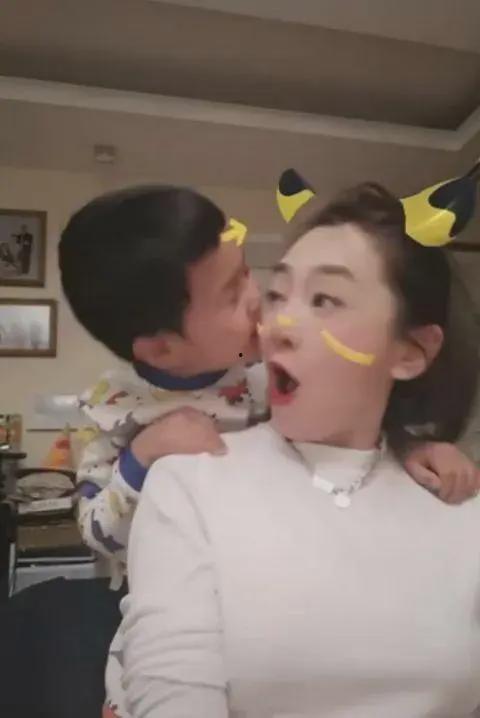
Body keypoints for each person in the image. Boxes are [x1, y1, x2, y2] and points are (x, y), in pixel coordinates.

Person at [116, 182, 480, 717]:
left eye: (325, 299)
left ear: (410, 352)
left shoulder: (458, 503)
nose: (277, 327)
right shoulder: (190, 483)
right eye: (277, 295)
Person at [59, 185, 476, 589]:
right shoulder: (111, 409)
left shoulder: (261, 374)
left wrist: (409, 449)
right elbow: (96, 531)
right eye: (232, 295)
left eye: (248, 274)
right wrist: (141, 456)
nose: (258, 300)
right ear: (162, 350)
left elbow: (354, 421)